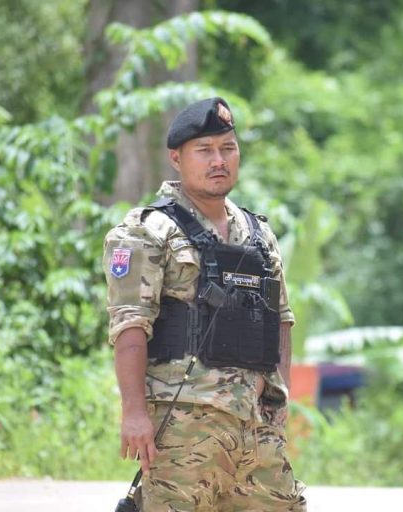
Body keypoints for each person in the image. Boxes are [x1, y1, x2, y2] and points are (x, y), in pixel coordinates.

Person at [103, 97, 307, 511]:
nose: (219, 160)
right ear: (176, 159)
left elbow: (280, 323)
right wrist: (134, 414)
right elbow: (130, 327)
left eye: (227, 149)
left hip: (255, 430)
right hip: (182, 426)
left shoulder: (258, 234)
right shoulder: (146, 231)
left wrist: (278, 400)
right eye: (205, 151)